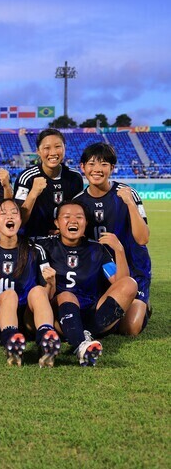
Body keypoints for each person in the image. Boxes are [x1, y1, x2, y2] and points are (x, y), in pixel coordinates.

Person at [0, 199, 61, 367]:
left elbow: (48, 295)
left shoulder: (35, 250)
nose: (10, 216)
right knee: (9, 295)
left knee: (37, 290)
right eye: (3, 213)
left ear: (20, 220)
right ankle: (10, 340)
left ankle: (46, 338)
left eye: (15, 213)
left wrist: (51, 283)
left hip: (29, 318)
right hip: (0, 317)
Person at [37, 201, 138, 366]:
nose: (73, 221)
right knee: (67, 295)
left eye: (79, 217)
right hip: (60, 316)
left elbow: (120, 283)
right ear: (57, 223)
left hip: (94, 313)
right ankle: (81, 344)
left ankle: (84, 334)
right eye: (67, 217)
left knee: (130, 284)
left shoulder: (97, 249)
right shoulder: (44, 246)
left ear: (86, 223)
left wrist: (119, 250)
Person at [73, 142, 152, 336]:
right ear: (82, 167)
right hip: (102, 272)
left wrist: (130, 204)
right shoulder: (78, 202)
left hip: (134, 268)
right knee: (103, 319)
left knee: (130, 328)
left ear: (112, 168)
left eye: (104, 164)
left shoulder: (127, 193)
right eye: (91, 164)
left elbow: (142, 239)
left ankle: (143, 305)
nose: (97, 169)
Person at [13, 128, 84, 238]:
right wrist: (33, 193)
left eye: (58, 146)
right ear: (38, 151)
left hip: (65, 242)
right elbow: (18, 221)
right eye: (47, 148)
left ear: (65, 147)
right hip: (34, 241)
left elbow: (79, 214)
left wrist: (64, 231)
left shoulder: (74, 177)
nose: (53, 153)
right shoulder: (26, 178)